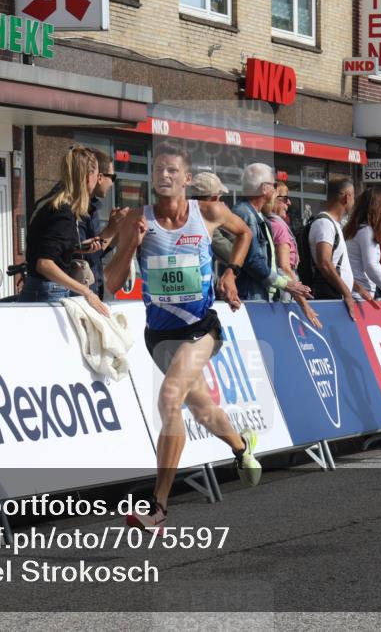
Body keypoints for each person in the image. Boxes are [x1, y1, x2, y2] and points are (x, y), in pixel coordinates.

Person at [104, 143, 260, 533]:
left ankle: (158, 509)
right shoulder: (137, 218)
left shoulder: (206, 213)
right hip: (159, 335)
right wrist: (133, 243)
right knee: (203, 409)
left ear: (187, 179)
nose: (164, 175)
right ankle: (241, 446)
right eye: (159, 169)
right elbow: (111, 282)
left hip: (201, 327)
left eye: (172, 170)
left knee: (169, 397)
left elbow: (244, 233)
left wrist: (231, 272)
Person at [19, 146, 110, 316]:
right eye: (97, 174)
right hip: (49, 292)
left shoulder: (53, 205)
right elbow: (44, 264)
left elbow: (47, 250)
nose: (98, 179)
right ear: (88, 176)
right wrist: (87, 292)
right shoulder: (64, 213)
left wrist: (76, 248)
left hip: (41, 289)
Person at [230, 163, 311, 303]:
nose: (275, 190)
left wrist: (286, 283)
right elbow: (254, 260)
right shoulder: (245, 214)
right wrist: (286, 284)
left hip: (260, 293)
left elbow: (267, 261)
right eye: (273, 185)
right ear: (263, 188)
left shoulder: (257, 216)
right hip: (250, 295)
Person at [305, 178, 377, 319]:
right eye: (353, 198)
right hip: (330, 298)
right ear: (347, 197)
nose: (354, 202)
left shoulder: (334, 224)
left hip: (337, 296)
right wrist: (347, 293)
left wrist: (357, 287)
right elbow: (324, 263)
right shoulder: (325, 224)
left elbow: (337, 265)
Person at [265, 180, 322, 328]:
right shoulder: (278, 226)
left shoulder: (267, 222)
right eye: (284, 199)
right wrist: (304, 305)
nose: (289, 203)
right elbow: (285, 267)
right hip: (283, 290)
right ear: (273, 199)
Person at [343, 186, 381, 313]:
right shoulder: (366, 231)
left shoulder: (357, 229)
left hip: (357, 294)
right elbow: (371, 267)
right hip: (359, 297)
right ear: (377, 205)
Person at [77, 148, 128, 300]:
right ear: (99, 177)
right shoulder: (77, 207)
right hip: (80, 293)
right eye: (112, 177)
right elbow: (83, 255)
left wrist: (117, 231)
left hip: (92, 289)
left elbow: (97, 251)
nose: (112, 183)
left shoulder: (92, 206)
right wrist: (112, 228)